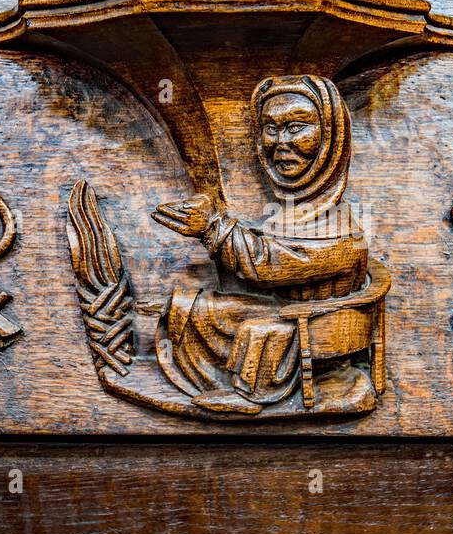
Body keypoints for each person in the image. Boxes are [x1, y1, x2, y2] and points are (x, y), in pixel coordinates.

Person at [151, 74, 368, 414]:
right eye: (270, 127)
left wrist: (212, 228)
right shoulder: (294, 212)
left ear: (332, 138)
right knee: (195, 307)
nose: (280, 141)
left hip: (314, 326)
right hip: (288, 313)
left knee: (256, 328)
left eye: (297, 127)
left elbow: (271, 265)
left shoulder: (337, 223)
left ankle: (252, 394)